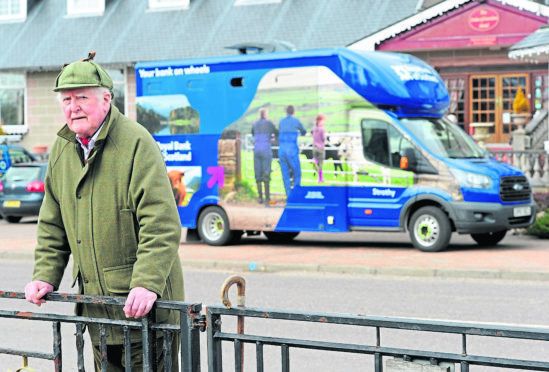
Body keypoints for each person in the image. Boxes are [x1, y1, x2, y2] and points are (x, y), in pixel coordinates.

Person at [24, 52, 184, 371]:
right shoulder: (63, 150)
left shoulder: (136, 143)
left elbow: (161, 224)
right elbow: (52, 225)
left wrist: (147, 283)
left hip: (145, 315)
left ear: (106, 99)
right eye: (67, 99)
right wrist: (45, 274)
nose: (73, 107)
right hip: (96, 315)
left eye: (82, 97)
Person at [278, 105, 306, 196]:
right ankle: (296, 195)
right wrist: (300, 133)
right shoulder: (296, 121)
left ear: (286, 112)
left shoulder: (281, 121)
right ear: (293, 112)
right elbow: (304, 131)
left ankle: (289, 195)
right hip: (292, 151)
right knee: (297, 173)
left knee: (285, 175)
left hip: (282, 151)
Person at [252, 108, 278, 205]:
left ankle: (260, 198)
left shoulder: (255, 124)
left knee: (258, 173)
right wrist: (271, 138)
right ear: (266, 115)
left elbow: (253, 133)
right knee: (266, 172)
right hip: (266, 150)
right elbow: (277, 132)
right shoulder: (269, 123)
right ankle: (267, 199)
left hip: (256, 149)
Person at [312, 114, 327, 183]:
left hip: (314, 147)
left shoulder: (314, 128)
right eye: (323, 121)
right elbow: (324, 139)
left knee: (316, 162)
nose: (324, 122)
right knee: (321, 164)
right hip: (320, 148)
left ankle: (315, 160)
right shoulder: (322, 129)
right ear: (319, 121)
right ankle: (320, 178)